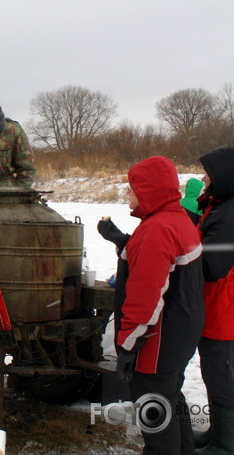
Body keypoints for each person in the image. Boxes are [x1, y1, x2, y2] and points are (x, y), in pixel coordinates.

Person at [100, 156, 204, 454]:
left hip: (158, 338)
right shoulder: (176, 219)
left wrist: (129, 344)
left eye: (132, 188)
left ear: (149, 191)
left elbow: (146, 296)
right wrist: (125, 242)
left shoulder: (157, 229)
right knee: (169, 396)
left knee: (154, 407)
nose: (128, 194)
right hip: (182, 329)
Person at [193, 146, 234, 454]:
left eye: (207, 171)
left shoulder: (229, 213)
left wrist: (177, 260)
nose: (202, 177)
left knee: (223, 376)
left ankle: (225, 443)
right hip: (216, 307)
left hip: (225, 312)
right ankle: (217, 433)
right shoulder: (219, 205)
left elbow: (211, 266)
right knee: (214, 373)